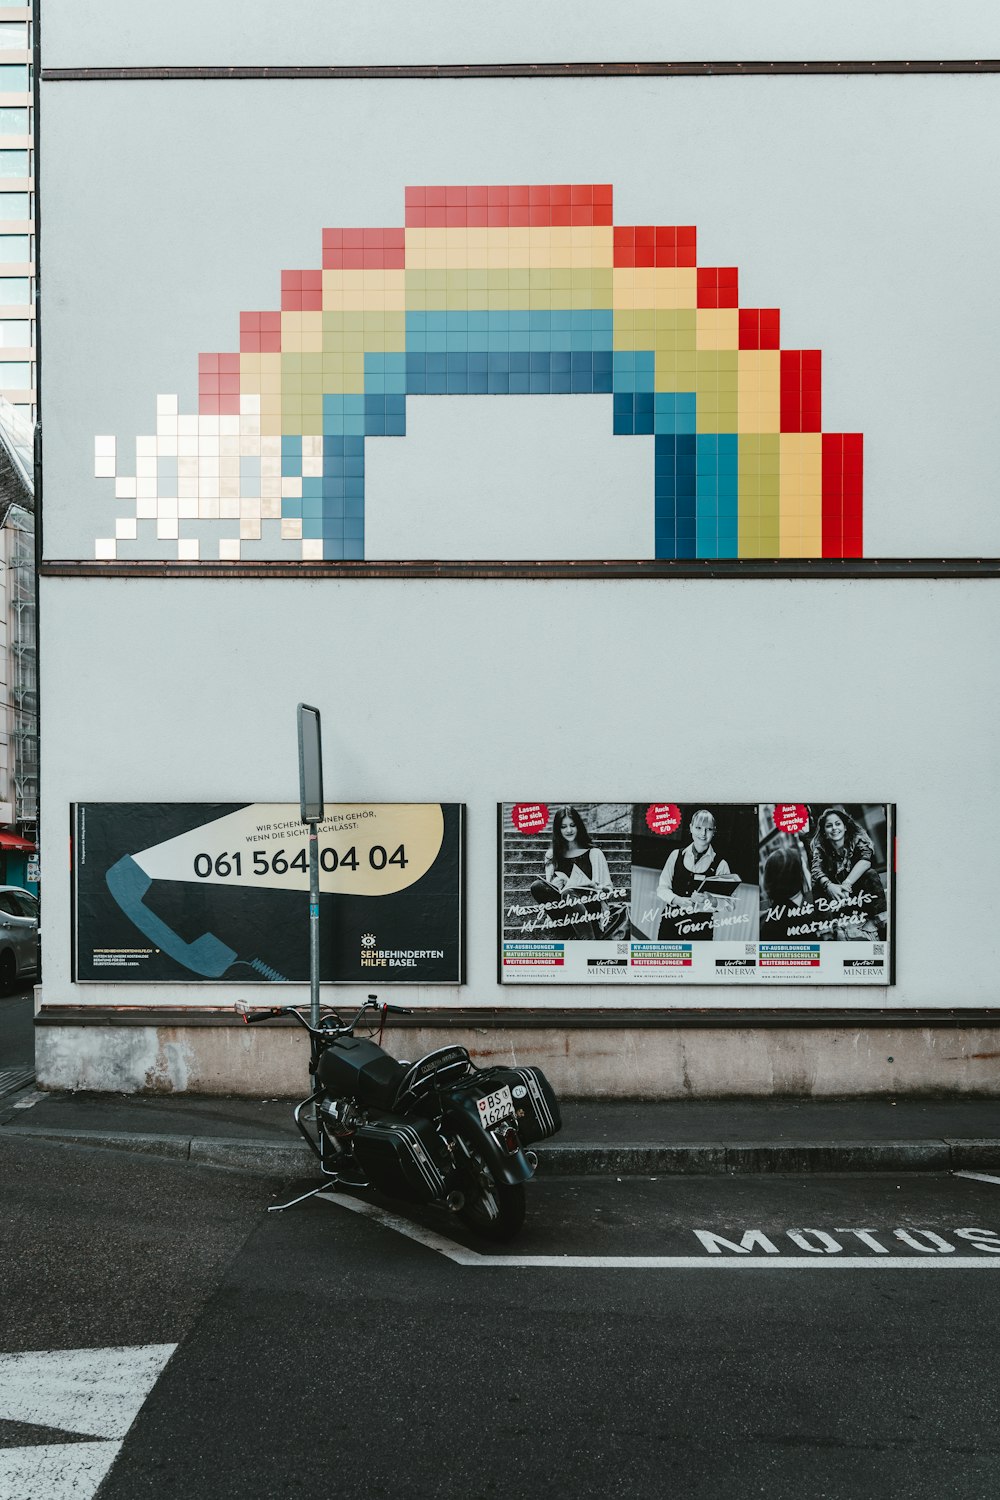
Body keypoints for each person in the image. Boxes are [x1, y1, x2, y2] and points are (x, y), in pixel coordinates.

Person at [529, 806, 612, 939]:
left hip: (589, 907)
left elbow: (609, 891)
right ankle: (567, 930)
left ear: (578, 826)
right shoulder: (552, 855)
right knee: (537, 886)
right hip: (564, 909)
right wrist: (556, 885)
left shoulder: (594, 853)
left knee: (569, 893)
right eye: (563, 826)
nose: (568, 830)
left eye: (572, 825)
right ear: (558, 829)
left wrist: (593, 886)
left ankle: (588, 941)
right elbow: (550, 893)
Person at [656, 809, 736, 942]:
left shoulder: (721, 864)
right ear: (691, 828)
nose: (703, 833)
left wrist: (711, 900)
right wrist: (678, 900)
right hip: (670, 924)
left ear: (714, 831)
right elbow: (662, 888)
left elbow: (730, 904)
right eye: (698, 827)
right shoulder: (675, 855)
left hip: (701, 929)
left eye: (708, 829)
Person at [809, 805, 885, 941]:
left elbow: (865, 861)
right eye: (829, 826)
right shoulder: (820, 849)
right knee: (817, 886)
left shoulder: (857, 840)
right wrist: (829, 885)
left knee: (871, 874)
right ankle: (827, 934)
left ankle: (883, 923)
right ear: (825, 832)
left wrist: (847, 883)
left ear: (845, 827)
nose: (834, 828)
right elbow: (816, 870)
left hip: (857, 891)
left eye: (838, 824)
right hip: (836, 896)